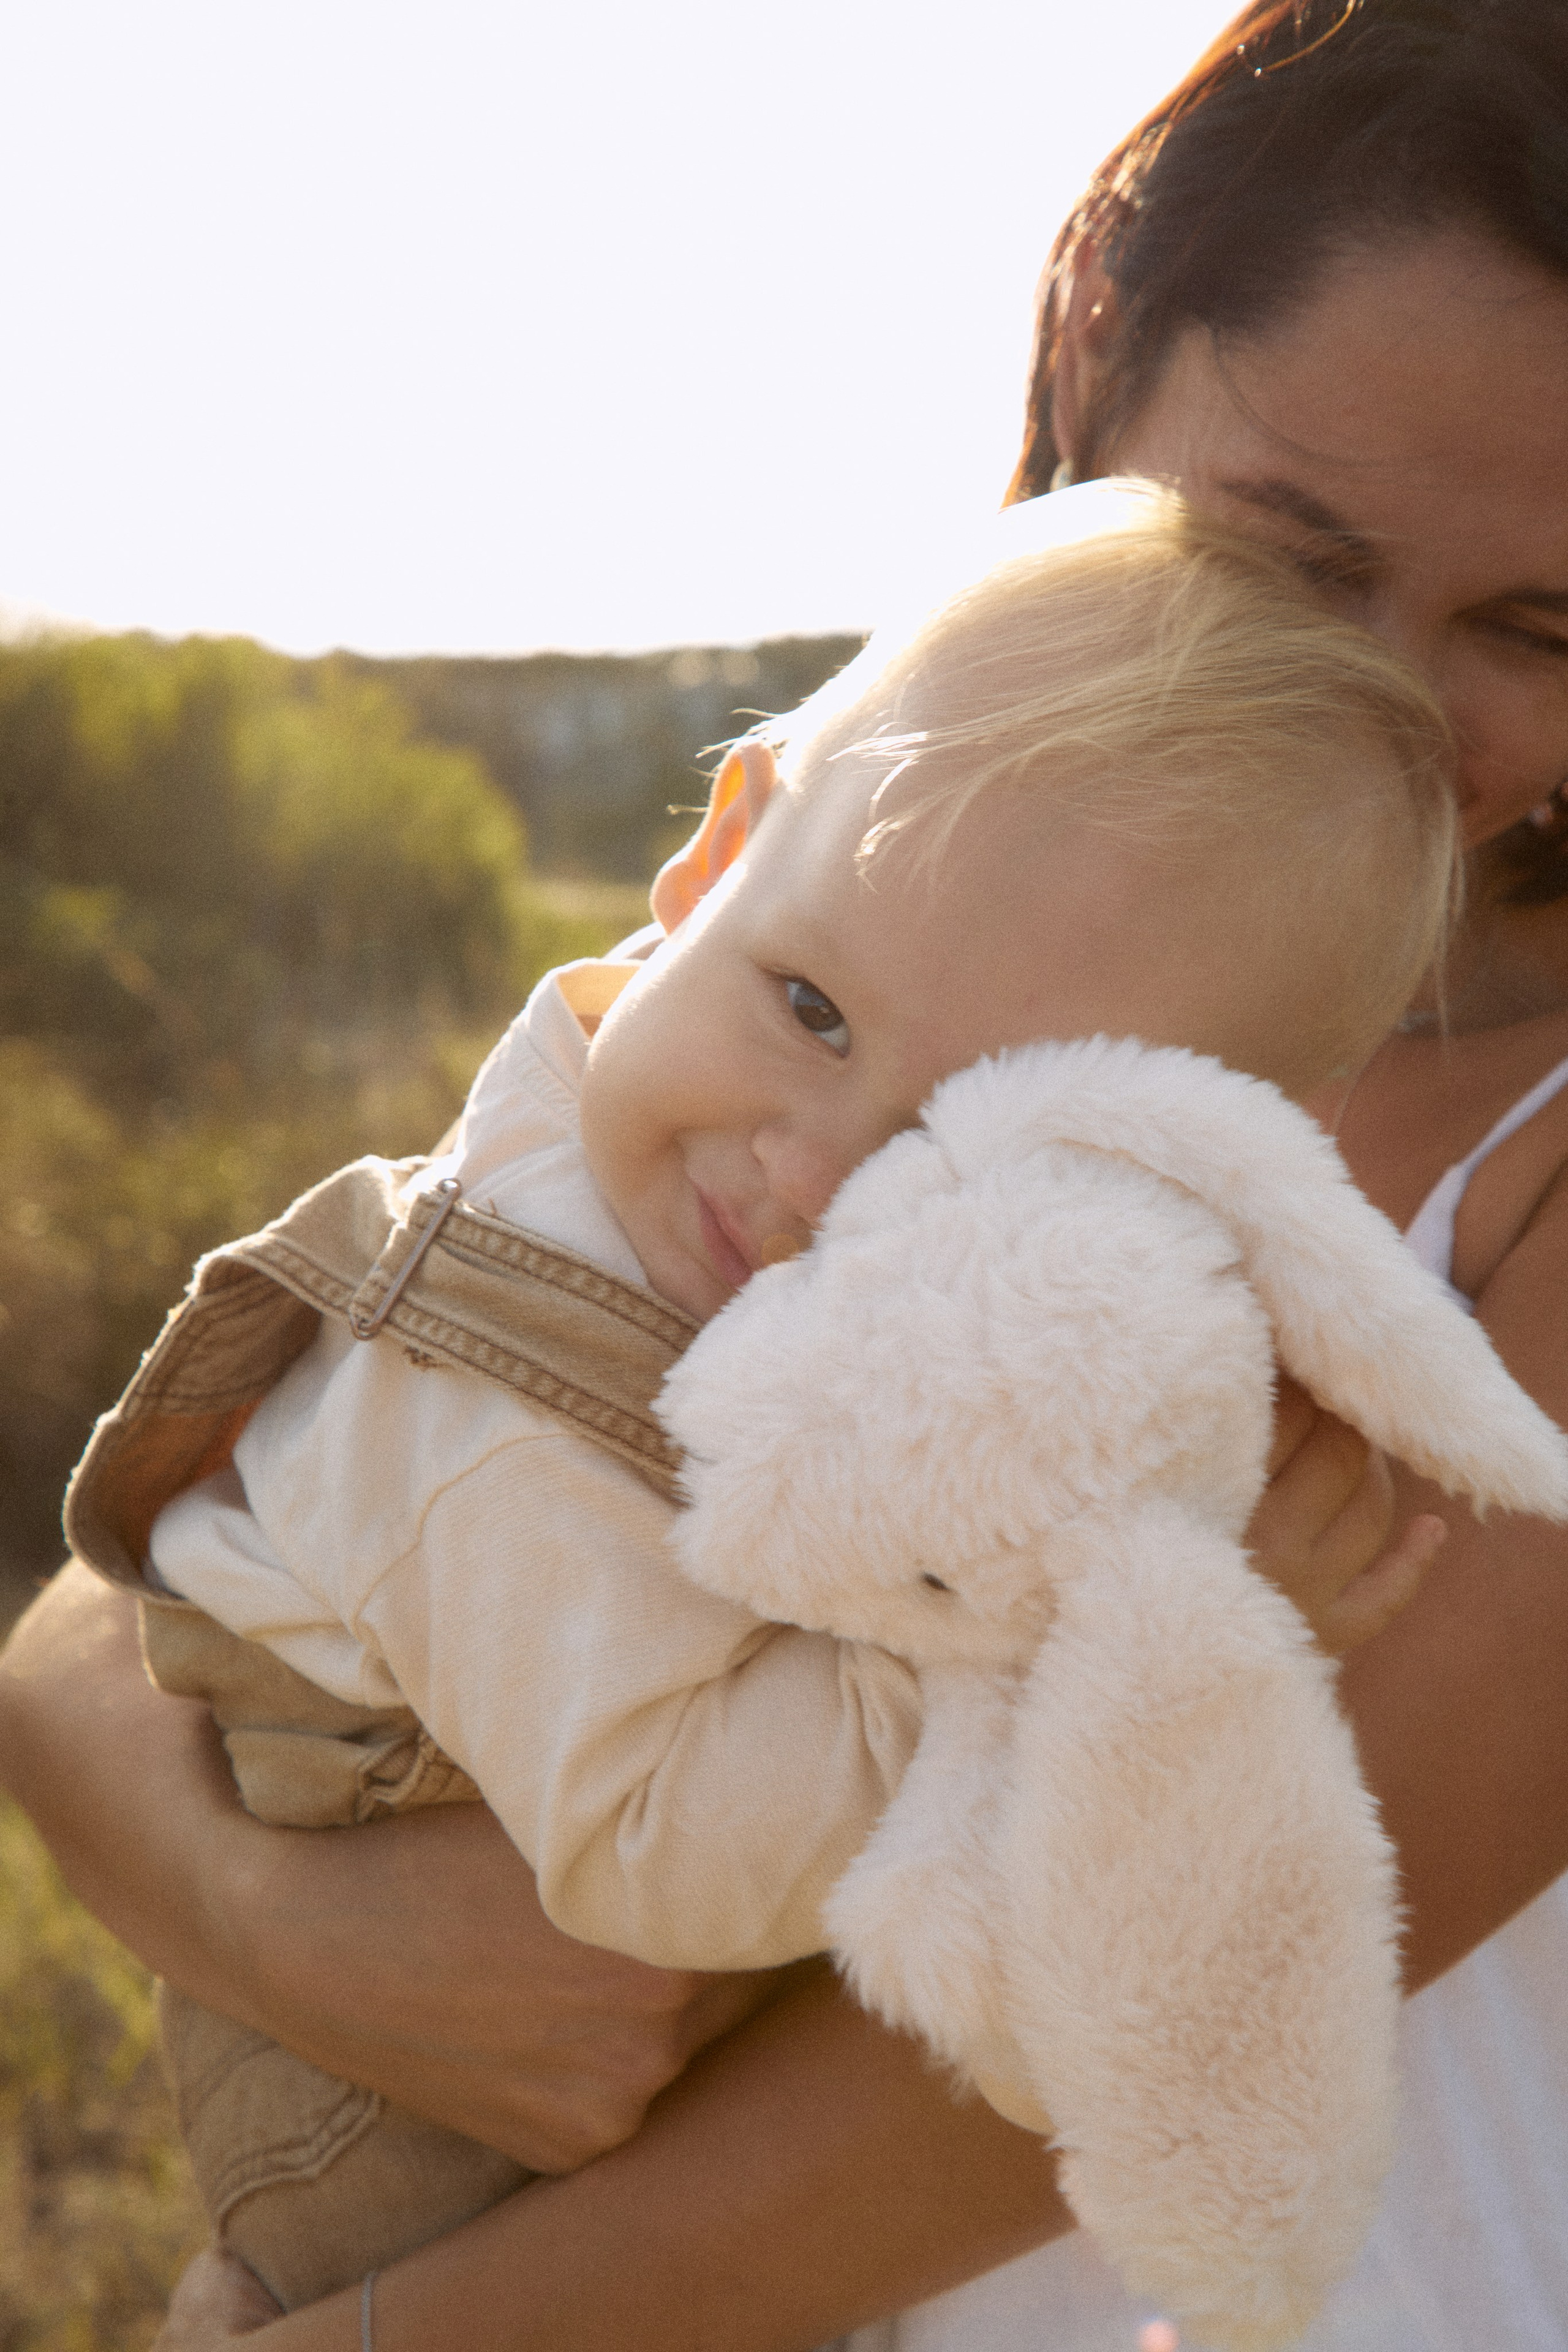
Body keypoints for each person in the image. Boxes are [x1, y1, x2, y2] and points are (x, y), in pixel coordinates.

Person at [2, 0, 1566, 2343]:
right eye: (1292, 555)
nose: (1377, 710)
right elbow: (195, 1551)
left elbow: (927, 2129)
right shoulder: (858, 946)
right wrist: (281, 1923)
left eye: (1537, 629)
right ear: (1098, 371)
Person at [62, 488, 1455, 2316]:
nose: (810, 1183)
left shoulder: (689, 1249)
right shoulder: (497, 1394)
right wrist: (1068, 1642)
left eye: (959, 1168)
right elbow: (656, 1849)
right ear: (719, 858)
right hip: (405, 2224)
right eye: (810, 1010)